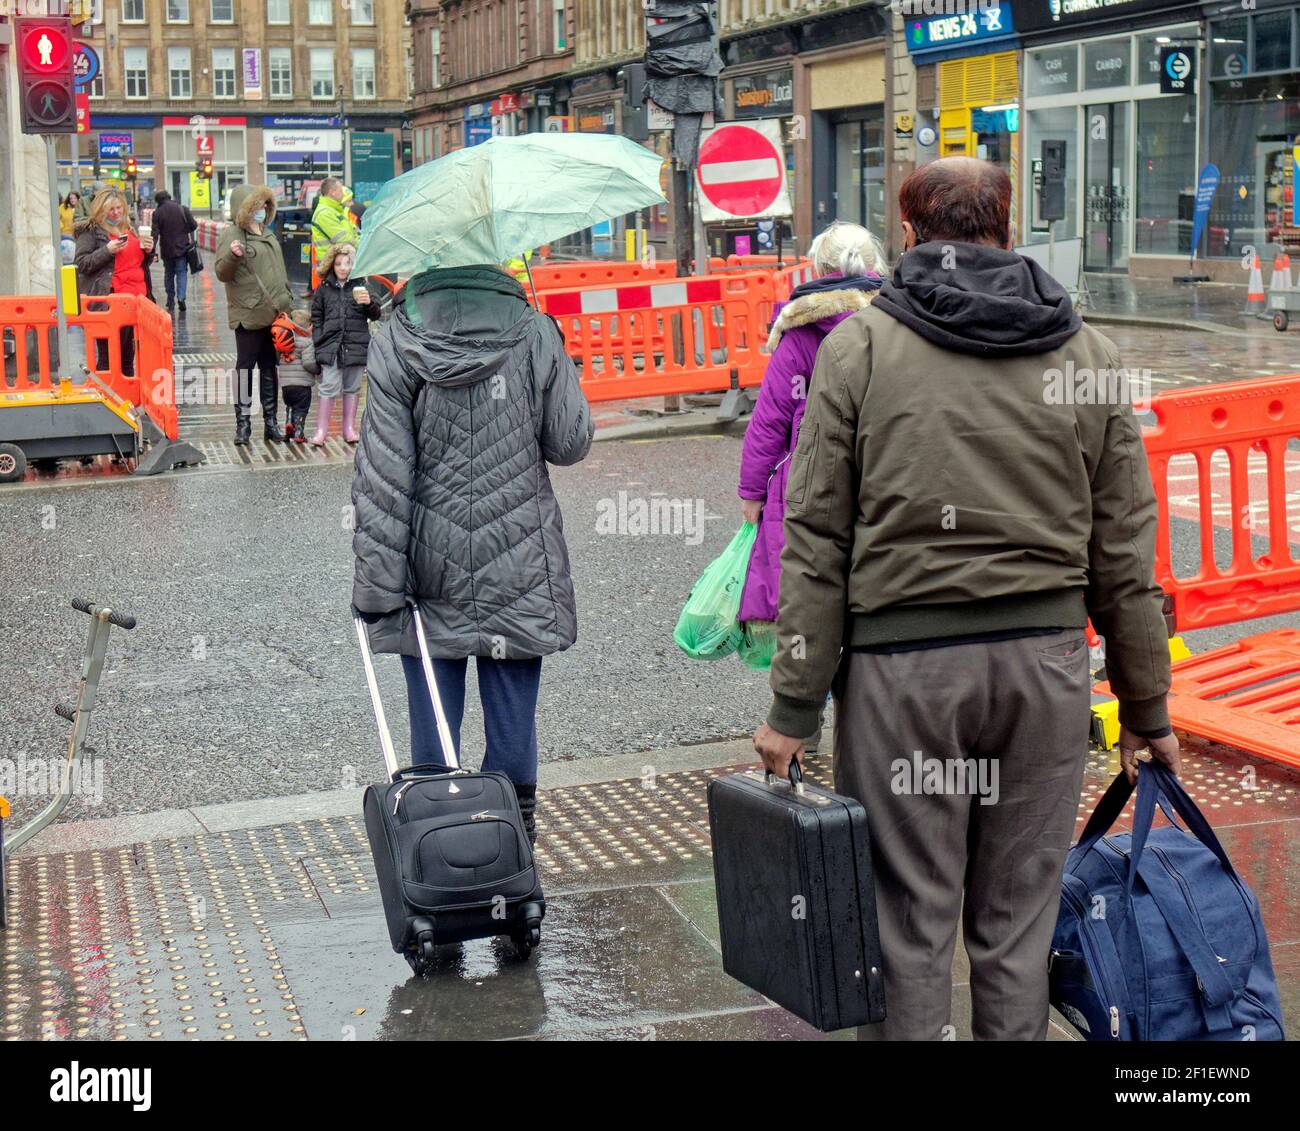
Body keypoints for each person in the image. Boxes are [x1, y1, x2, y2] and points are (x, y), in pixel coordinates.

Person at [754, 157, 1178, 1041]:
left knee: (906, 924)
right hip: (1045, 673)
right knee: (1017, 923)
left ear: (908, 234)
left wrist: (794, 705)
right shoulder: (1088, 356)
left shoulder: (859, 350)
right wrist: (1146, 706)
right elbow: (1124, 553)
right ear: (1007, 226)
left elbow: (817, 538)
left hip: (902, 679)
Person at [351, 264, 594, 845]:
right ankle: (513, 860)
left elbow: (382, 476)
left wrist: (378, 587)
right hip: (519, 560)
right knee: (514, 728)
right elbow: (571, 441)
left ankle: (441, 860)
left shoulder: (396, 341)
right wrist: (556, 357)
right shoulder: (534, 332)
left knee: (433, 726)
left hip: (424, 571)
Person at [214, 184, 295, 445]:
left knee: (270, 368)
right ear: (245, 209)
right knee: (245, 370)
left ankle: (270, 423)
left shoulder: (268, 234)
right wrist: (233, 255)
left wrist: (287, 301)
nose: (262, 210)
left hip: (273, 313)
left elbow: (279, 272)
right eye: (257, 206)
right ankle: (243, 424)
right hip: (248, 314)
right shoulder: (233, 234)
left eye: (264, 206)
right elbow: (221, 273)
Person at [74, 187, 156, 377]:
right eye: (111, 209)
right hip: (109, 303)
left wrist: (149, 251)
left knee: (128, 358)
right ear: (101, 211)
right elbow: (82, 263)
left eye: (119, 208)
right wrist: (108, 250)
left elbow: (140, 262)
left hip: (137, 300)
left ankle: (126, 402)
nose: (117, 212)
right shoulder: (92, 231)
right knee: (109, 358)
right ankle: (106, 400)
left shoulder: (130, 228)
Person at [309, 242, 380, 445]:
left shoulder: (362, 286)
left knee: (352, 387)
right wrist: (319, 339)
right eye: (339, 263)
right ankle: (321, 430)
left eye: (348, 264)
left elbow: (375, 315)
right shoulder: (324, 289)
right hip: (331, 347)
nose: (343, 268)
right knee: (328, 386)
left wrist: (369, 303)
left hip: (355, 346)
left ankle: (349, 428)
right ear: (332, 265)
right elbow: (317, 316)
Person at [271, 309, 318, 443]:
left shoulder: (284, 339)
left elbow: (278, 360)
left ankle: (288, 426)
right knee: (301, 409)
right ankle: (298, 432)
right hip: (302, 386)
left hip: (286, 385)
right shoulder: (307, 342)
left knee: (290, 406)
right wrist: (317, 369)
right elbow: (308, 364)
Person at [150, 190, 198, 312]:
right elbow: (194, 225)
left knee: (169, 274)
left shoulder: (157, 213)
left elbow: (154, 234)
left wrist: (152, 250)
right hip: (182, 248)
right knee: (182, 272)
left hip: (167, 250)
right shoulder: (182, 209)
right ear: (169, 197)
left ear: (158, 201)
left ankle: (170, 300)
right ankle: (181, 298)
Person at [310, 177, 360, 263]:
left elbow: (354, 231)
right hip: (333, 265)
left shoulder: (335, 210)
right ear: (332, 193)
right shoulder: (324, 213)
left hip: (341, 262)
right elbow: (344, 239)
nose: (343, 193)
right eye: (340, 190)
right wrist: (363, 246)